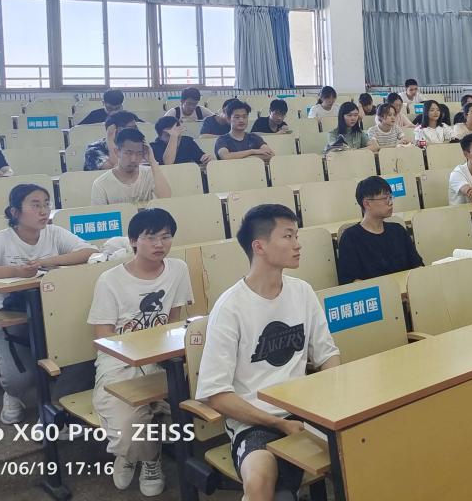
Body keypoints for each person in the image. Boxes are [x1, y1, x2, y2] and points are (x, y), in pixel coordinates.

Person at [196, 204, 340, 501]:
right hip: (254, 421)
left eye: (296, 235)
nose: (298, 244)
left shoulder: (302, 291)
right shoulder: (230, 307)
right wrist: (278, 423)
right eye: (288, 236)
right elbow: (216, 394)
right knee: (261, 480)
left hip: (306, 411)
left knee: (365, 447)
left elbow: (327, 356)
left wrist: (335, 402)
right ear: (259, 246)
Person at [0, 184, 96, 424]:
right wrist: (15, 271)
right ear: (15, 212)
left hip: (49, 315)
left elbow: (90, 252)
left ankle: (56, 408)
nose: (43, 211)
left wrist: (47, 261)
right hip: (6, 318)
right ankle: (13, 395)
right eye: (35, 205)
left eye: (46, 204)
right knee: (20, 379)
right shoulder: (2, 239)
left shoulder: (54, 233)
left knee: (81, 353)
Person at [89, 208, 193, 496]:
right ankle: (144, 457)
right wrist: (139, 355)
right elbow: (104, 338)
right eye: (150, 237)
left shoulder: (178, 270)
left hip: (161, 358)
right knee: (126, 431)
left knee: (188, 413)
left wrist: (157, 356)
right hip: (119, 362)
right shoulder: (110, 280)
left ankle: (140, 454)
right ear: (133, 241)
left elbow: (172, 323)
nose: (159, 244)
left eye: (166, 237)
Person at [336, 177, 424, 283]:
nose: (390, 203)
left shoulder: (398, 230)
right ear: (367, 204)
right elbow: (349, 280)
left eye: (390, 197)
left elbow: (418, 265)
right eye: (384, 198)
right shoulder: (350, 238)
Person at [91, 129, 171, 205]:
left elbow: (166, 198)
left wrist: (152, 161)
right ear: (117, 152)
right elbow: (99, 213)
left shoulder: (151, 173)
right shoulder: (101, 184)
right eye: (128, 153)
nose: (133, 159)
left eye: (139, 153)